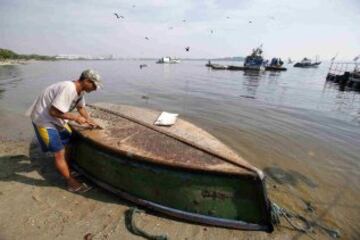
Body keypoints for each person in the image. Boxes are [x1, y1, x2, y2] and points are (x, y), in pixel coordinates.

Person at [28, 69, 103, 193]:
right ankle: (71, 182)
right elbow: (53, 112)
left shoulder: (80, 92)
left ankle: (65, 166)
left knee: (69, 137)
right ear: (86, 81)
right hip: (44, 119)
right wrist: (76, 118)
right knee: (59, 152)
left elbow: (81, 107)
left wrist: (89, 120)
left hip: (56, 118)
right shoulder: (68, 88)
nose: (95, 89)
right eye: (94, 85)